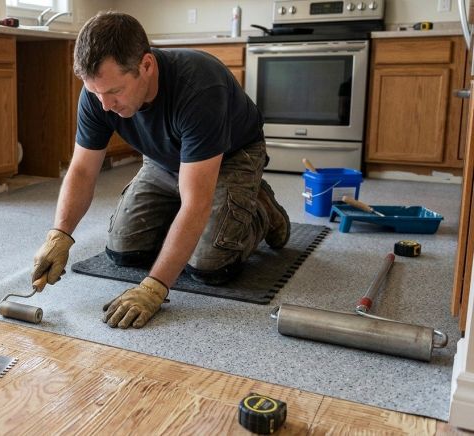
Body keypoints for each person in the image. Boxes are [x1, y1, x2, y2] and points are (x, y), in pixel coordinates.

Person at [31, 11, 290, 330]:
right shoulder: (98, 95)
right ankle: (199, 219)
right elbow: (83, 170)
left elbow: (196, 202)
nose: (105, 105)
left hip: (231, 157)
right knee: (124, 250)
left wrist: (154, 288)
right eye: (96, 93)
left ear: (147, 66)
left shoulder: (200, 86)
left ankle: (260, 208)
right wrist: (60, 235)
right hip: (164, 159)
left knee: (209, 265)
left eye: (114, 92)